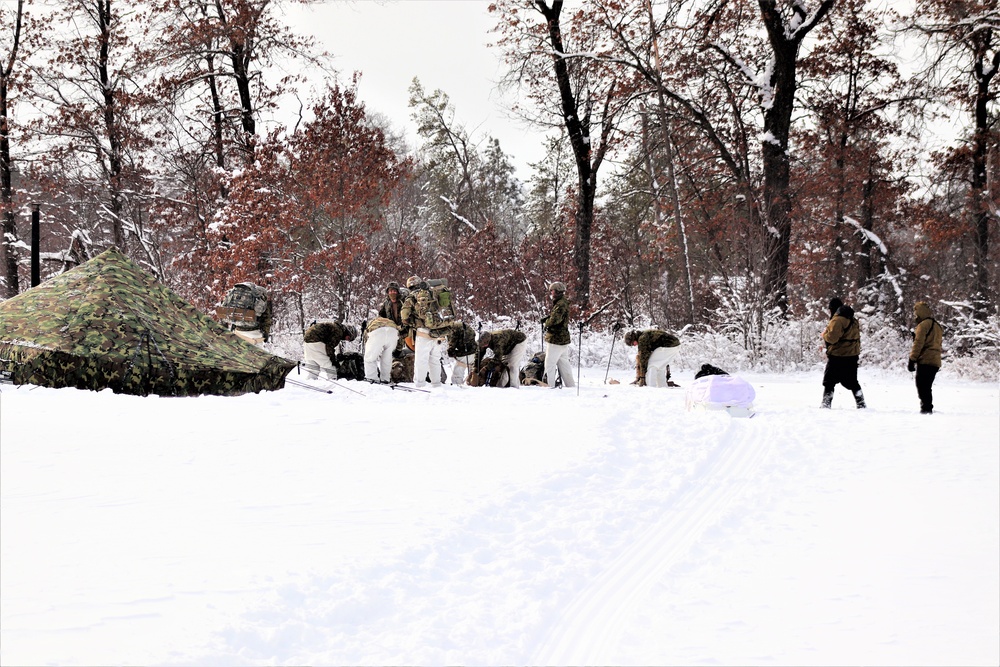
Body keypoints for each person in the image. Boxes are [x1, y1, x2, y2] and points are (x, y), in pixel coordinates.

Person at [400, 275, 454, 388]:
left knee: (421, 360)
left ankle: (419, 384)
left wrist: (410, 322)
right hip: (439, 332)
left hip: (423, 333)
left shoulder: (412, 297)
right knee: (435, 360)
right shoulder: (433, 292)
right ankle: (437, 384)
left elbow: (404, 315)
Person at [821, 297, 866, 409]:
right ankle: (861, 403)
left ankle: (826, 404)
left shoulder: (837, 320)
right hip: (852, 356)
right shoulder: (852, 319)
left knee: (829, 381)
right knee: (852, 382)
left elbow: (832, 338)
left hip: (837, 355)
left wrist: (824, 335)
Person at [908, 300, 943, 414]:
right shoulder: (937, 325)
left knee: (922, 385)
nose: (915, 316)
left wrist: (912, 359)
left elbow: (919, 343)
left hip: (926, 359)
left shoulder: (923, 325)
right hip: (935, 360)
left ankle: (926, 409)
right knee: (927, 386)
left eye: (916, 313)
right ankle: (926, 407)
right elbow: (932, 342)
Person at [540, 281, 575, 388]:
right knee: (564, 364)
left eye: (552, 291)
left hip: (556, 339)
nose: (551, 293)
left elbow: (555, 320)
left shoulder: (560, 304)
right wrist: (548, 318)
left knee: (549, 365)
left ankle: (548, 386)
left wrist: (547, 322)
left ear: (557, 291)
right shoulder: (562, 302)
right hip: (562, 339)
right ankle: (570, 386)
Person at [219, 282, 272, 346]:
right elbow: (266, 320)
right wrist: (265, 336)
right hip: (254, 334)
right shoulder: (261, 300)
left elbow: (226, 312)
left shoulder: (235, 296)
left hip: (238, 332)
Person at [363, 317, 400, 383]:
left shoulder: (370, 326)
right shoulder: (389, 321)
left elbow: (366, 340)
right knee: (387, 358)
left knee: (370, 358)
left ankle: (371, 378)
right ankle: (385, 379)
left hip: (377, 332)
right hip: (393, 332)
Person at [447, 321, 479, 385]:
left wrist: (450, 352)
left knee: (459, 369)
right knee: (472, 369)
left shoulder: (453, 330)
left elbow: (452, 343)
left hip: (464, 353)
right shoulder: (466, 326)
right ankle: (472, 383)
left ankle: (457, 384)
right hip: (475, 351)